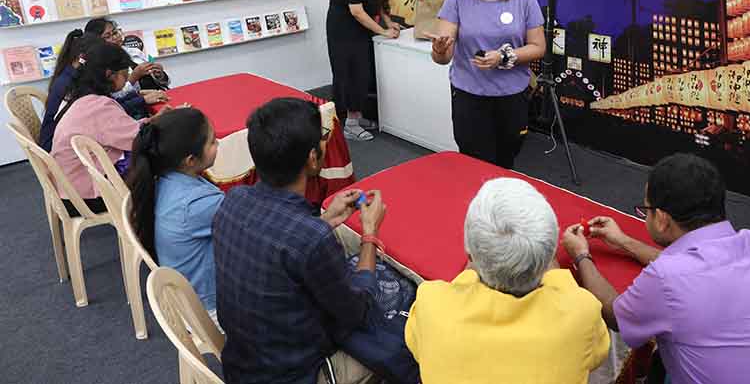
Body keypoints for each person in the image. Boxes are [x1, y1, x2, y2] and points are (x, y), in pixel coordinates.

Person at [561, 153, 750, 384]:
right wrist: (622, 241)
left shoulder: (668, 277)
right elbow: (695, 267)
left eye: (647, 210)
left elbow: (615, 316)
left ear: (663, 220)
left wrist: (581, 255)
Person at [213, 98, 418, 384]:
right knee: (405, 291)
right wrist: (370, 233)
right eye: (323, 138)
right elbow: (359, 310)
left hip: (242, 362)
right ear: (312, 158)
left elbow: (282, 248)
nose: (326, 143)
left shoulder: (233, 200)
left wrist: (326, 220)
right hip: (298, 373)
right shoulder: (312, 238)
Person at [404, 177, 608, 383]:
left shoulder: (431, 303)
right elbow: (597, 355)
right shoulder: (583, 313)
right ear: (550, 252)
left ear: (469, 253)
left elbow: (417, 345)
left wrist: (482, 254)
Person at [429, 0, 546, 168]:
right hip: (469, 97)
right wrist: (440, 50)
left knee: (506, 160)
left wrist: (504, 57)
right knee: (472, 162)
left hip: (511, 97)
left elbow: (538, 47)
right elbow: (443, 57)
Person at [51, 42, 169, 217]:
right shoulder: (98, 106)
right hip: (85, 197)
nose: (128, 78)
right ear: (109, 74)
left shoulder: (80, 96)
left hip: (68, 186)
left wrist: (151, 120)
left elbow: (121, 131)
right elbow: (138, 139)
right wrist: (166, 123)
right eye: (125, 74)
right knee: (159, 159)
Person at [126, 107, 223, 319]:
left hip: (184, 300)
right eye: (213, 141)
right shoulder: (197, 205)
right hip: (210, 311)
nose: (218, 144)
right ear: (190, 160)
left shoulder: (161, 180)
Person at [326, 0, 402, 142]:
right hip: (342, 27)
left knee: (363, 70)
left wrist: (388, 22)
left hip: (360, 26)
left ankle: (357, 116)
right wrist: (382, 31)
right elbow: (357, 11)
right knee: (350, 71)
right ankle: (350, 124)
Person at [38, 30, 101, 151]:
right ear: (82, 57)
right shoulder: (72, 83)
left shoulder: (68, 73)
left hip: (58, 140)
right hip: (57, 147)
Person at [84, 17, 170, 91]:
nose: (115, 37)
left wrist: (159, 75)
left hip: (160, 95)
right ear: (96, 41)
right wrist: (134, 77)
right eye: (107, 36)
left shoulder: (134, 51)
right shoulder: (99, 65)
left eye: (115, 33)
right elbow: (116, 97)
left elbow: (166, 83)